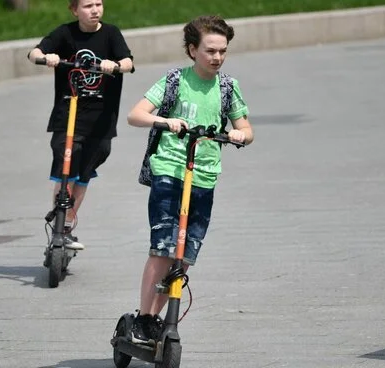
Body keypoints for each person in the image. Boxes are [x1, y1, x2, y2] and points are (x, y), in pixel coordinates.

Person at [125, 15, 253, 344]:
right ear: (193, 50)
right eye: (211, 51)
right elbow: (135, 115)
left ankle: (159, 318)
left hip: (205, 175)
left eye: (223, 51)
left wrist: (240, 134)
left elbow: (247, 130)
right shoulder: (174, 81)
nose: (218, 57)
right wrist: (166, 122)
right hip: (169, 169)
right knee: (164, 246)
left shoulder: (228, 87)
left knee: (185, 253)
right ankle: (144, 318)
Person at [27, 0, 134, 250]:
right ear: (75, 10)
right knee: (66, 159)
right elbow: (33, 53)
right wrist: (46, 57)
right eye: (87, 6)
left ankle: (67, 224)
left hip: (100, 117)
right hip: (68, 113)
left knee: (87, 168)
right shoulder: (65, 33)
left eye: (99, 4)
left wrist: (115, 65)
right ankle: (58, 225)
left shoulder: (111, 34)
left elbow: (128, 62)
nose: (95, 10)